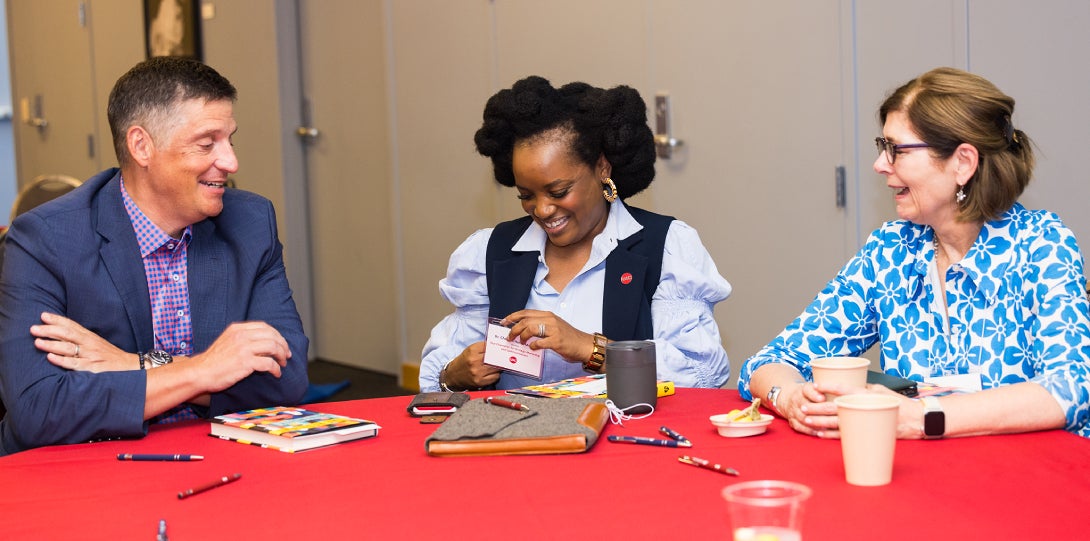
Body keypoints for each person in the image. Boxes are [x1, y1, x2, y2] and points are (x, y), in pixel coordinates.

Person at [739, 67, 1090, 439]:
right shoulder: (892, 251)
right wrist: (791, 396)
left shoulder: (1041, 244)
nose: (879, 165)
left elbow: (1070, 389)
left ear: (963, 163)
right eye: (882, 147)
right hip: (918, 480)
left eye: (897, 150)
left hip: (1021, 482)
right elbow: (769, 362)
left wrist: (923, 418)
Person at [0, 57, 309, 455]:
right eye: (206, 143)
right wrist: (204, 369)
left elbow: (288, 379)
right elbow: (38, 409)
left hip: (217, 459)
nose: (231, 162)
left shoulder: (250, 221)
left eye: (230, 138)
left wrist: (134, 363)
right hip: (88, 472)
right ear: (142, 146)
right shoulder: (46, 239)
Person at [419, 76, 731, 393]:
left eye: (559, 191)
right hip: (514, 435)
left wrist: (588, 348)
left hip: (625, 436)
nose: (541, 210)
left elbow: (702, 375)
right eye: (526, 195)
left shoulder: (664, 247)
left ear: (602, 168)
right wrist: (453, 374)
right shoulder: (490, 252)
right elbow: (436, 375)